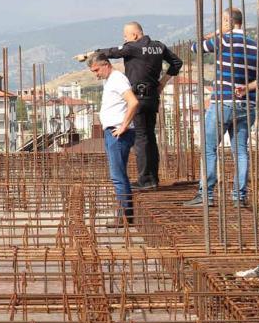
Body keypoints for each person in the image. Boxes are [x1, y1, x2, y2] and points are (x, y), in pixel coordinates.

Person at [76, 22, 182, 191]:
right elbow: (177, 62)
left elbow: (110, 52)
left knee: (141, 138)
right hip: (152, 96)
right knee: (149, 138)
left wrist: (88, 54)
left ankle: (145, 181)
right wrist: (162, 83)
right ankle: (152, 178)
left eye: (126, 36)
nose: (125, 40)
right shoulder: (159, 47)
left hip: (137, 96)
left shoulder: (133, 47)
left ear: (134, 35)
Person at [184, 7, 258, 207]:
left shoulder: (224, 40)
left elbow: (194, 48)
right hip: (248, 105)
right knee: (241, 151)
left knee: (209, 148)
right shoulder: (255, 46)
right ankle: (239, 197)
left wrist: (217, 33)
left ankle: (206, 195)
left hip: (223, 104)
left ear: (228, 21)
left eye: (222, 21)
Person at [88, 53, 140, 228]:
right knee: (118, 175)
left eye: (96, 70)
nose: (96, 74)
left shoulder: (118, 79)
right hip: (113, 132)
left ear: (105, 64)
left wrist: (124, 126)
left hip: (118, 133)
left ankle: (124, 217)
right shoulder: (111, 80)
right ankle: (125, 214)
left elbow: (133, 102)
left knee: (118, 176)